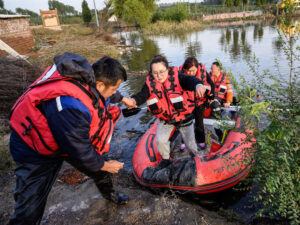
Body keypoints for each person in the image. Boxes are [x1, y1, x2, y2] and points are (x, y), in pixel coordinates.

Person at [8, 53, 132, 225]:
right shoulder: (71, 107)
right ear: (100, 84)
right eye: (114, 89)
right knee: (30, 205)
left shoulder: (91, 78)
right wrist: (105, 164)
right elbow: (80, 151)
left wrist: (122, 98)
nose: (114, 93)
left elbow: (107, 93)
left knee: (100, 169)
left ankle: (111, 195)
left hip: (65, 135)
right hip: (34, 148)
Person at [125, 55, 207, 166]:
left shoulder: (179, 77)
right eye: (155, 73)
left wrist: (198, 85)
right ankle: (166, 159)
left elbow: (190, 80)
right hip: (166, 119)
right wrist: (133, 101)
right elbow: (142, 96)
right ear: (151, 73)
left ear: (168, 70)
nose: (159, 76)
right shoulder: (149, 84)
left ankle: (195, 159)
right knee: (160, 141)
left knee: (190, 144)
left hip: (183, 117)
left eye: (162, 72)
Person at [179, 57, 215, 151]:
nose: (190, 73)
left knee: (199, 123)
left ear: (197, 68)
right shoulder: (181, 75)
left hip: (200, 102)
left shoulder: (203, 70)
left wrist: (212, 95)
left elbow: (211, 83)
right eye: (188, 71)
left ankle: (201, 141)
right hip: (186, 103)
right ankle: (183, 141)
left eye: (193, 71)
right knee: (185, 122)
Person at [209, 61, 234, 141]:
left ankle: (218, 126)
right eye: (211, 69)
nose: (211, 70)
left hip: (221, 99)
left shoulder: (226, 78)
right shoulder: (208, 76)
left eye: (212, 69)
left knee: (215, 102)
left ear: (218, 69)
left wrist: (228, 102)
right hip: (211, 98)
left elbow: (230, 91)